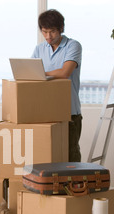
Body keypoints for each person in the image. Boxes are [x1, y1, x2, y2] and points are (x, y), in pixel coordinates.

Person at [31, 9, 83, 162]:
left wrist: (41, 73)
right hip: (45, 112)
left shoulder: (73, 46)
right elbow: (31, 75)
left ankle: (74, 186)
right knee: (47, 156)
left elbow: (65, 72)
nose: (48, 36)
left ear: (61, 29)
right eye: (44, 32)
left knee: (70, 154)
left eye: (52, 32)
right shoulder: (39, 49)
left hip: (69, 112)